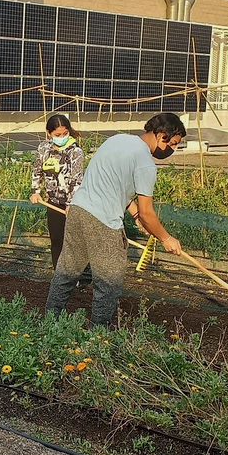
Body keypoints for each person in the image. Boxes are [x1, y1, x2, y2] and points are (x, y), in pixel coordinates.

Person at [44, 112, 187, 328]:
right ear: (162, 136)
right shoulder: (146, 163)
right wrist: (166, 238)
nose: (173, 149)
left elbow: (112, 184)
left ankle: (50, 323)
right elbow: (149, 213)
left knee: (66, 272)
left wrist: (136, 215)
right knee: (108, 282)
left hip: (78, 211)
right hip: (103, 222)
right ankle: (99, 336)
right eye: (173, 144)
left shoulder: (117, 140)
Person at [29, 114, 86, 267]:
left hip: (73, 204)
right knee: (56, 239)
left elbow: (77, 180)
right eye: (58, 135)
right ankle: (59, 275)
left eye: (65, 134)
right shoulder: (44, 149)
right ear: (49, 133)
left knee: (74, 241)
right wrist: (36, 191)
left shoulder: (75, 152)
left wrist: (71, 204)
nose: (62, 137)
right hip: (53, 202)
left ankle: (80, 276)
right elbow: (37, 170)